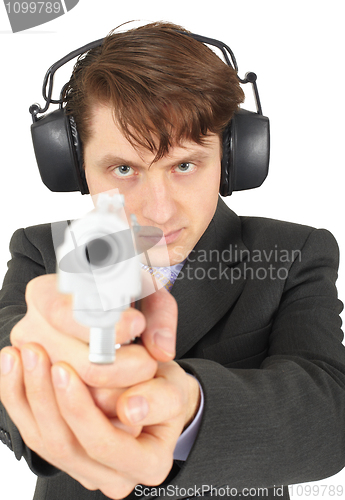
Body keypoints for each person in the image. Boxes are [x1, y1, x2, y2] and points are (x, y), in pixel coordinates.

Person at [0, 21, 344, 500]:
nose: (157, 211)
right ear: (75, 167)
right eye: (124, 169)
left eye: (184, 164)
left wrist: (187, 407)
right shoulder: (43, 253)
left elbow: (330, 415)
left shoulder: (293, 254)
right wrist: (35, 365)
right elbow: (7, 350)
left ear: (232, 157)